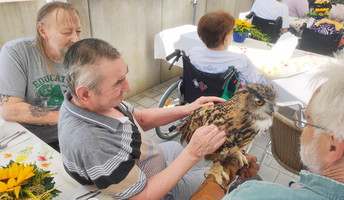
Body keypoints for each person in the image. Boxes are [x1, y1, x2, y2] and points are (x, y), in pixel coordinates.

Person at [58, 38, 227, 200]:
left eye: (125, 76)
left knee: (176, 146)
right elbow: (143, 196)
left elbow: (140, 119)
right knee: (222, 179)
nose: (128, 87)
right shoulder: (94, 144)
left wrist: (187, 109)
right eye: (118, 82)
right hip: (150, 191)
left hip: (141, 164)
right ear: (85, 93)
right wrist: (193, 153)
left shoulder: (90, 102)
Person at [222, 56, 344, 199]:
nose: (303, 132)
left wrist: (220, 177)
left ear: (332, 147)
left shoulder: (250, 195)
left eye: (307, 121)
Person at [0, 1, 81, 150]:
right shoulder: (16, 52)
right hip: (29, 140)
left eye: (78, 31)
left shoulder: (81, 55)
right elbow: (10, 109)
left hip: (73, 134)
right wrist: (65, 117)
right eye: (67, 32)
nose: (75, 39)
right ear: (43, 31)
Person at [189, 10, 266, 88]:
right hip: (229, 99)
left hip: (197, 97)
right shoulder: (240, 60)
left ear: (201, 36)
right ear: (225, 39)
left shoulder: (194, 53)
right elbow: (261, 84)